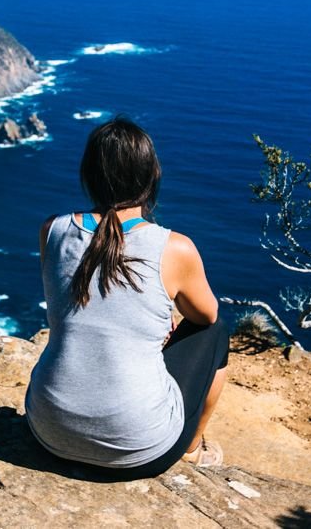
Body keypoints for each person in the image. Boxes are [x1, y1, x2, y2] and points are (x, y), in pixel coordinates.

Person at [25, 116, 229, 479]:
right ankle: (194, 448)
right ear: (153, 176)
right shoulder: (174, 248)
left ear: (88, 175)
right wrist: (159, 321)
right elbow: (206, 317)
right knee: (217, 332)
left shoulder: (52, 229)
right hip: (139, 448)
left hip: (48, 430)